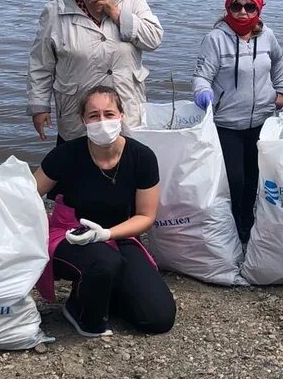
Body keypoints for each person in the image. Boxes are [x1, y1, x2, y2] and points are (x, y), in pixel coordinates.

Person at [33, 85, 176, 337]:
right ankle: (79, 310)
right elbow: (27, 194)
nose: (102, 121)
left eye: (109, 114)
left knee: (158, 318)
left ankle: (103, 291)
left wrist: (107, 234)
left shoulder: (142, 157)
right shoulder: (65, 154)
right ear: (83, 121)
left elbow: (145, 216)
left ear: (121, 115)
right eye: (93, 116)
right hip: (70, 236)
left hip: (119, 236)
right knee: (104, 262)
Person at [28, 0, 163, 142]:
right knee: (74, 169)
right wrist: (39, 107)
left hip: (125, 108)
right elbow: (41, 63)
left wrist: (115, 11)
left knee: (127, 165)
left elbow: (153, 39)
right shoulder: (56, 8)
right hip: (76, 112)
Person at [192, 0, 283, 244]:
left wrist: (280, 91)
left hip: (262, 121)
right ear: (227, 7)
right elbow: (201, 75)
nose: (242, 12)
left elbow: (279, 60)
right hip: (227, 124)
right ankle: (233, 227)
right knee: (235, 179)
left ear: (259, 8)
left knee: (255, 178)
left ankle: (248, 225)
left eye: (249, 6)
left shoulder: (268, 36)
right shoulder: (214, 39)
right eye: (236, 6)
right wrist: (203, 94)